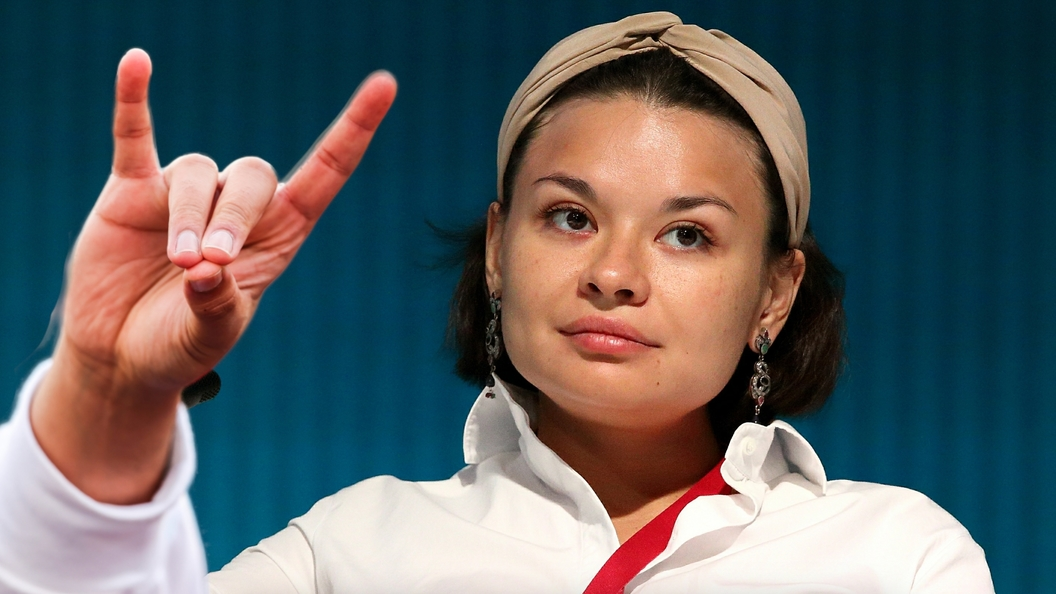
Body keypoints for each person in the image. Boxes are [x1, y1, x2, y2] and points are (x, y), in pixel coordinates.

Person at [0, 12, 993, 593]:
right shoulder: (352, 552)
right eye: (569, 216)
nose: (615, 273)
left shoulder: (898, 558)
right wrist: (108, 387)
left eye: (687, 234)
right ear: (496, 253)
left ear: (776, 291)